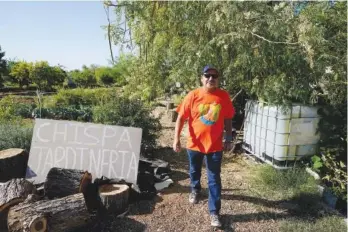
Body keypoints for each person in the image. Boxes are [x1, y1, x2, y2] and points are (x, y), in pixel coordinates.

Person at [173, 65, 235, 228]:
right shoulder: (193, 95)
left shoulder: (223, 96)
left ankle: (214, 212)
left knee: (214, 178)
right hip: (194, 144)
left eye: (214, 76)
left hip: (215, 146)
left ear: (218, 79)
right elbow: (180, 118)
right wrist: (176, 139)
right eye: (207, 75)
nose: (211, 78)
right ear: (202, 78)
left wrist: (228, 138)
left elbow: (228, 119)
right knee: (194, 170)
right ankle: (195, 189)